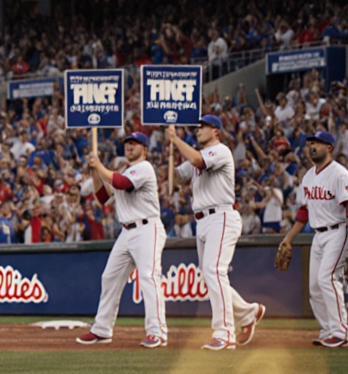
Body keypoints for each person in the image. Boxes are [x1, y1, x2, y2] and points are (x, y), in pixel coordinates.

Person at [167, 115, 264, 350]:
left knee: (214, 271)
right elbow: (177, 179)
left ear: (216, 132)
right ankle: (247, 313)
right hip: (203, 221)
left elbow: (199, 162)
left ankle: (224, 333)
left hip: (221, 216)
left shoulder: (220, 151)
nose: (198, 130)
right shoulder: (198, 156)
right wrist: (170, 152)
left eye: (204, 127)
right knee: (211, 276)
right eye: (198, 126)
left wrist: (176, 139)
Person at [76, 133, 168, 347]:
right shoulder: (126, 170)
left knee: (148, 277)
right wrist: (95, 172)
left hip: (147, 228)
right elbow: (102, 197)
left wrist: (99, 165)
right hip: (127, 232)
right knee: (109, 277)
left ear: (144, 149)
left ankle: (157, 332)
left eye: (134, 143)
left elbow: (122, 182)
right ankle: (102, 329)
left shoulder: (144, 168)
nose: (129, 146)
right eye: (127, 143)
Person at [277, 132, 348, 347]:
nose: (313, 146)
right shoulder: (308, 177)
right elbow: (304, 212)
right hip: (318, 235)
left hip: (337, 232)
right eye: (311, 143)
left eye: (318, 143)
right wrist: (288, 238)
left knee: (327, 278)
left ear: (330, 147)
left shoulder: (340, 174)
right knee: (314, 286)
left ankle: (342, 333)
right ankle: (328, 329)